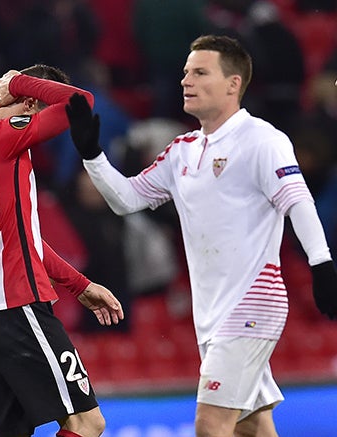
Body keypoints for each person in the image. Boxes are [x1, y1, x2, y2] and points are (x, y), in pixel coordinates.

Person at [65, 34, 337, 437]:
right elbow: (127, 199)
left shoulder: (263, 140)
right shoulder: (182, 151)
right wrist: (93, 155)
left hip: (252, 303)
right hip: (211, 314)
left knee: (211, 426)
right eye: (185, 72)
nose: (185, 80)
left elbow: (298, 201)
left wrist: (322, 264)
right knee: (252, 426)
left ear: (233, 84)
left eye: (199, 72)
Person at [0, 64, 125, 437]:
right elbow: (81, 102)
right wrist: (15, 81)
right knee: (86, 422)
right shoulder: (6, 136)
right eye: (44, 104)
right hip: (17, 306)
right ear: (32, 102)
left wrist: (79, 285)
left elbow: (24, 239)